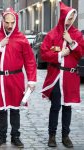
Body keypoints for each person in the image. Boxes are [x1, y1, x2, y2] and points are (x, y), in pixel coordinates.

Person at [0, 7, 37, 148]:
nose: (9, 25)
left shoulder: (22, 39)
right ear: (3, 21)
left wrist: (31, 80)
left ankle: (15, 136)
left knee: (15, 110)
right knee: (1, 110)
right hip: (0, 80)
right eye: (7, 22)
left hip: (16, 78)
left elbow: (30, 61)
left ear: (16, 22)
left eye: (12, 22)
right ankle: (1, 136)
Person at [40, 2, 83, 148]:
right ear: (63, 18)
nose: (70, 21)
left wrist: (71, 41)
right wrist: (59, 54)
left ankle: (66, 136)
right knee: (56, 106)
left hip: (70, 78)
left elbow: (80, 53)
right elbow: (44, 54)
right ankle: (52, 136)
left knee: (67, 107)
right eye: (68, 18)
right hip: (57, 76)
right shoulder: (52, 34)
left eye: (72, 18)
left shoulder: (77, 34)